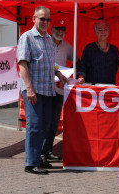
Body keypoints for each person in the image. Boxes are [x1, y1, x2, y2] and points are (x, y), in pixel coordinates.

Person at [17, 6, 68, 175]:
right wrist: (29, 89)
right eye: (41, 19)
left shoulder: (47, 39)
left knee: (44, 126)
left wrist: (59, 73)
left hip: (47, 89)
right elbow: (23, 64)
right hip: (34, 90)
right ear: (33, 19)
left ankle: (38, 159)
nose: (45, 22)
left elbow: (48, 62)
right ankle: (30, 163)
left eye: (47, 19)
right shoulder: (27, 37)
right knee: (35, 125)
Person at [41, 19, 79, 163]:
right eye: (57, 28)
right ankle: (41, 152)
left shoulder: (67, 46)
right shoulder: (45, 43)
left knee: (54, 122)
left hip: (59, 90)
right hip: (45, 88)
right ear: (52, 29)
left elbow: (77, 60)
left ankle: (48, 151)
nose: (60, 32)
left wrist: (72, 74)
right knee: (45, 122)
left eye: (63, 29)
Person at [77, 20, 119, 84]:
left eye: (105, 29)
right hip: (92, 88)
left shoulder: (114, 50)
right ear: (95, 32)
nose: (103, 32)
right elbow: (82, 66)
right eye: (100, 30)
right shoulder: (89, 48)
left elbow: (115, 68)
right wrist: (81, 77)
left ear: (108, 32)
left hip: (110, 87)